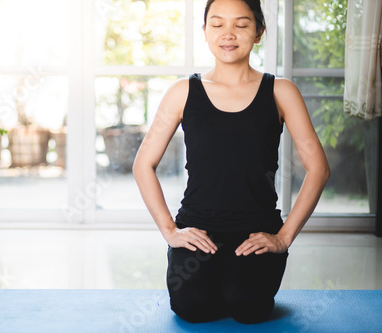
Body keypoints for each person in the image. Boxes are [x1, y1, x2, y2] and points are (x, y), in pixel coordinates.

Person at [132, 0, 330, 325]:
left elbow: (318, 168)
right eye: (217, 24)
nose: (228, 34)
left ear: (259, 32)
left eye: (241, 24)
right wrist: (170, 231)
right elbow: (143, 164)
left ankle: (237, 281)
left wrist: (282, 237)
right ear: (205, 31)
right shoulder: (183, 91)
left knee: (249, 308)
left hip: (257, 232)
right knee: (192, 307)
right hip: (199, 229)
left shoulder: (281, 91)